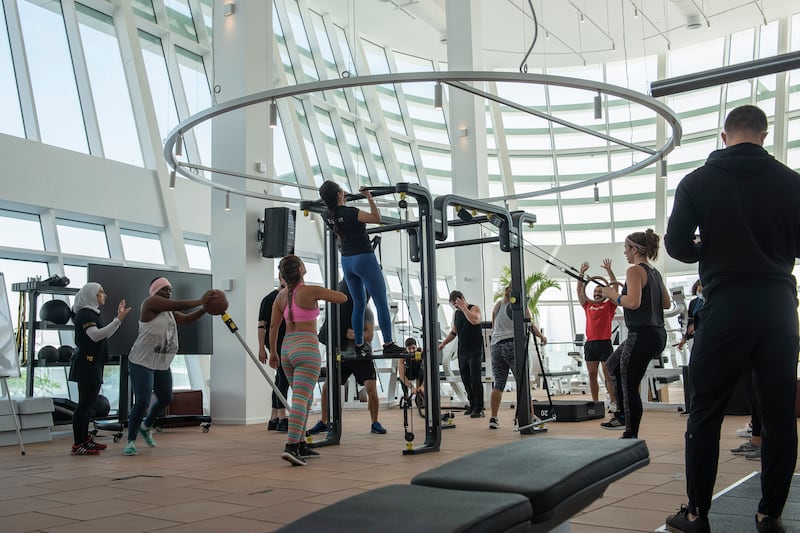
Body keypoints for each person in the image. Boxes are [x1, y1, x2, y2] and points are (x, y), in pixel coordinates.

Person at [664, 105, 800, 533]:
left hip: (725, 305)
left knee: (705, 411)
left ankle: (696, 513)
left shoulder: (697, 182)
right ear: (765, 134)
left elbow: (676, 245)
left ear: (725, 136)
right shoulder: (792, 183)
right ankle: (769, 515)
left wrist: (711, 247)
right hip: (778, 305)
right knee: (780, 416)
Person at [269, 255, 347, 466]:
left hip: (286, 349)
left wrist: (273, 352)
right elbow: (342, 298)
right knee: (301, 400)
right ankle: (292, 446)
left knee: (303, 397)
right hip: (306, 347)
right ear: (302, 269)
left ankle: (301, 442)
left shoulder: (280, 296)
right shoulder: (310, 291)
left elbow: (274, 327)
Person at [124, 278, 214, 457]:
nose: (169, 292)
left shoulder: (169, 313)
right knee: (142, 400)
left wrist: (204, 309)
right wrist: (201, 301)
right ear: (156, 291)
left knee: (165, 398)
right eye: (165, 289)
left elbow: (187, 319)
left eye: (171, 289)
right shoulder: (150, 303)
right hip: (141, 361)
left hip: (161, 363)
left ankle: (146, 425)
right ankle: (131, 441)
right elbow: (179, 305)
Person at [318, 180, 405, 358]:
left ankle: (359, 344)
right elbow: (376, 218)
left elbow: (340, 214)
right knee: (380, 301)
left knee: (358, 303)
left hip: (347, 262)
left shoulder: (326, 214)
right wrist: (369, 197)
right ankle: (388, 343)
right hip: (364, 258)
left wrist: (342, 201)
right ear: (339, 194)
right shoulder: (351, 212)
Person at [597, 229, 669, 439]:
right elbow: (665, 302)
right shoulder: (654, 272)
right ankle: (621, 415)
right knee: (612, 365)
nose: (625, 253)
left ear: (635, 249)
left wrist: (613, 294)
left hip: (641, 335)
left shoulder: (634, 271)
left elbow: (633, 302)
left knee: (629, 384)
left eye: (627, 249)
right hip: (657, 335)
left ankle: (630, 432)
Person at [308, 280, 388, 436]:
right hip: (342, 356)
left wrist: (358, 335)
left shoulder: (366, 312)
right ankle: (324, 421)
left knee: (371, 389)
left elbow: (370, 336)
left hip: (361, 356)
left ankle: (375, 423)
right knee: (327, 388)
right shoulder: (338, 311)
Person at [68, 283, 130, 455]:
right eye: (100, 292)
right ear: (90, 295)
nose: (104, 295)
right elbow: (95, 336)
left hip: (93, 364)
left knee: (88, 405)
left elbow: (103, 334)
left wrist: (118, 320)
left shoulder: (91, 313)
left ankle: (85, 440)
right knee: (84, 405)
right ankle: (78, 443)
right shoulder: (85, 314)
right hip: (86, 365)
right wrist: (118, 319)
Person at [488, 286, 546, 430]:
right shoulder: (520, 306)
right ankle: (530, 415)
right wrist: (541, 336)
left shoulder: (498, 305)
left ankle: (493, 418)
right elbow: (529, 324)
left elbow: (494, 327)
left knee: (499, 384)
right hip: (512, 345)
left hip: (496, 346)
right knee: (523, 383)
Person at [576, 260, 619, 409]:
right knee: (592, 374)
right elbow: (579, 290)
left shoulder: (609, 305)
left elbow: (614, 287)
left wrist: (609, 271)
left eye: (600, 291)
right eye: (595, 291)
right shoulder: (587, 305)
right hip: (591, 344)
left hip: (605, 343)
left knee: (608, 375)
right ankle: (595, 403)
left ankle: (613, 402)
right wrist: (581, 274)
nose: (597, 293)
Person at [438, 290, 485, 418]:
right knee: (466, 379)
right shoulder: (457, 314)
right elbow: (454, 332)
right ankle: (472, 403)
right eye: (455, 305)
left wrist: (464, 307)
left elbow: (474, 320)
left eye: (457, 303)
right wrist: (443, 343)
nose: (456, 307)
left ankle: (479, 407)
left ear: (462, 299)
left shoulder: (474, 308)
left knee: (475, 379)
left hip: (475, 350)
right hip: (463, 350)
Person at [259, 283, 289, 432]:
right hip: (276, 344)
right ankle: (282, 417)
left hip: (288, 342)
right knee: (283, 379)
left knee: (279, 379)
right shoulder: (269, 299)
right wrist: (262, 349)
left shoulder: (291, 297)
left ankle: (274, 417)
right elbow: (263, 326)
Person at [676, 280, 703, 351]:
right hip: (693, 337)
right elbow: (688, 320)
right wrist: (684, 338)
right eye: (699, 290)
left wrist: (695, 325)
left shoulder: (710, 302)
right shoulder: (693, 303)